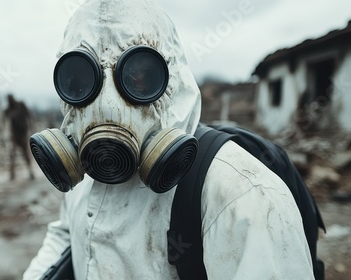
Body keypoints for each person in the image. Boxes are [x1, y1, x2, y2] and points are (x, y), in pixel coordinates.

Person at [23, 0, 314, 279]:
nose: (107, 106)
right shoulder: (84, 170)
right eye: (83, 80)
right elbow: (65, 234)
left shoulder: (243, 196)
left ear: (172, 79)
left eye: (137, 77)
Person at [0, 93, 34, 180]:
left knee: (25, 154)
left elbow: (29, 117)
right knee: (12, 154)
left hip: (22, 133)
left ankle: (31, 171)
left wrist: (32, 128)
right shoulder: (8, 110)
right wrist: (0, 135)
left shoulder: (21, 106)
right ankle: (12, 174)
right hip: (14, 135)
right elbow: (2, 122)